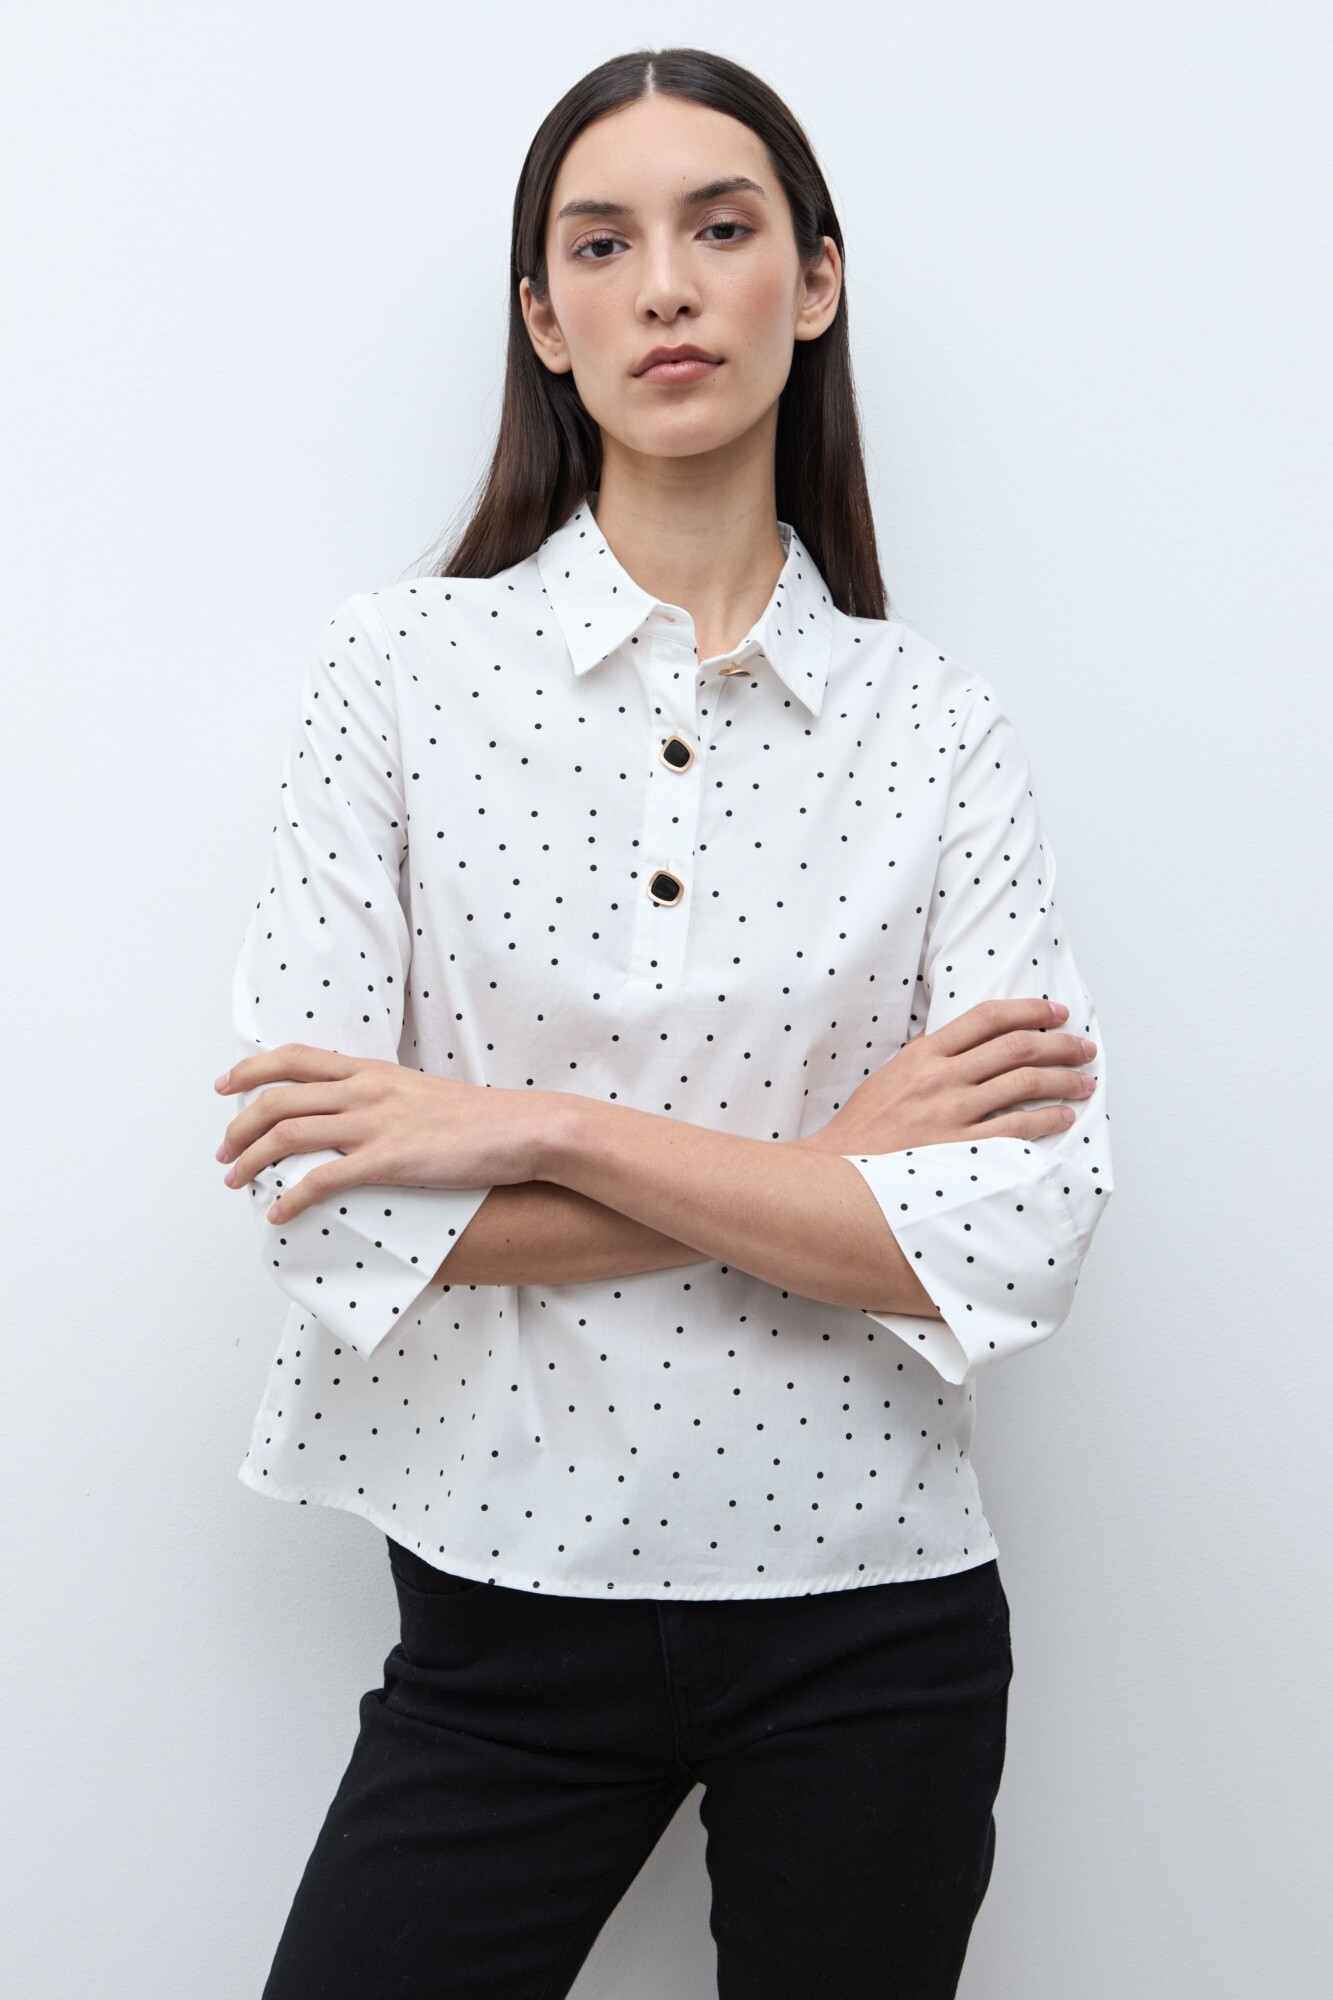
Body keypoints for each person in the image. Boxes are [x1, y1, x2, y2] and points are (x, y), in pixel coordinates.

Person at [214, 45, 1114, 2000]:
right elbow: (325, 1207)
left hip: (875, 1609)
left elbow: (1020, 1231)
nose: (668, 287)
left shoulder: (936, 725)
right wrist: (832, 1167)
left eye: (721, 227)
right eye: (601, 244)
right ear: (544, 318)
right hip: (498, 1598)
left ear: (815, 280)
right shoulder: (395, 675)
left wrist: (531, 1128)